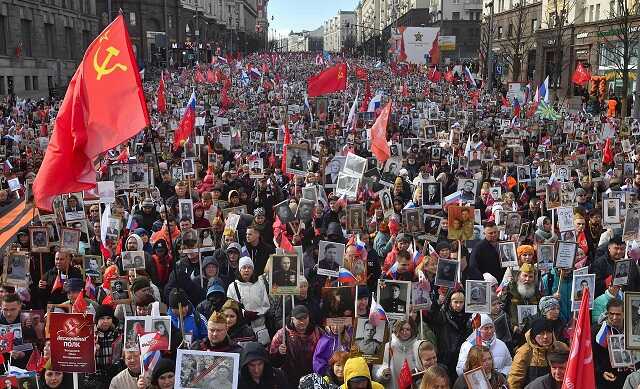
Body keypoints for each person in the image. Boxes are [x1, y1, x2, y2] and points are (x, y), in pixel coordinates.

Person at [269, 305, 322, 388]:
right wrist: (279, 352)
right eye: (299, 319)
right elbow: (273, 361)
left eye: (305, 318)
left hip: (313, 376)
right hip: (291, 379)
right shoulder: (282, 335)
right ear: (292, 319)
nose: (302, 321)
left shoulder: (317, 332)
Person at [508, 319, 569, 389]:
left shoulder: (561, 347)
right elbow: (514, 380)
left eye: (548, 332)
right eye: (541, 333)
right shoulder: (524, 352)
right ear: (534, 336)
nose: (545, 336)